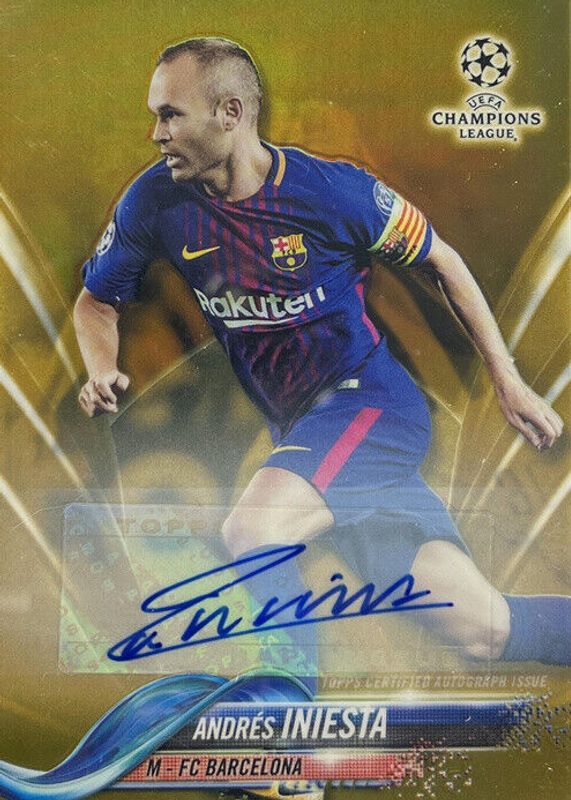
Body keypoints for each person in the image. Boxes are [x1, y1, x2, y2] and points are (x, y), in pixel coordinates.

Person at [74, 37, 569, 681]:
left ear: (230, 113)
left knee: (254, 533)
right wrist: (100, 368)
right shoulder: (155, 202)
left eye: (171, 115)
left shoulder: (332, 192)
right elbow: (95, 303)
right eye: (155, 115)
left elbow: (442, 261)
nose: (156, 134)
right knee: (484, 629)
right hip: (308, 435)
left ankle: (287, 724)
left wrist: (508, 381)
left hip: (371, 410)